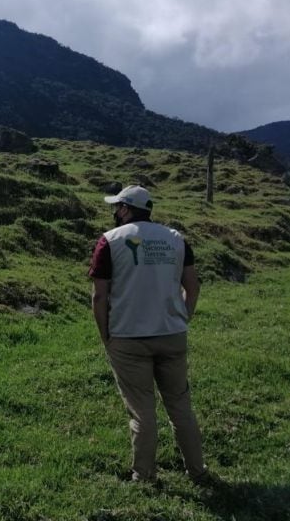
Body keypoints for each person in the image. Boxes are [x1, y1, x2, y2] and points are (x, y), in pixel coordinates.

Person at [87, 185, 215, 486]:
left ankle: (143, 476)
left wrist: (106, 334)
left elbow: (99, 297)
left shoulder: (110, 241)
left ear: (127, 209)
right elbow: (193, 286)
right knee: (180, 404)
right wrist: (183, 316)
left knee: (142, 410)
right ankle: (197, 470)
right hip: (172, 334)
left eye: (117, 207)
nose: (115, 212)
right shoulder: (175, 239)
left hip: (128, 337)